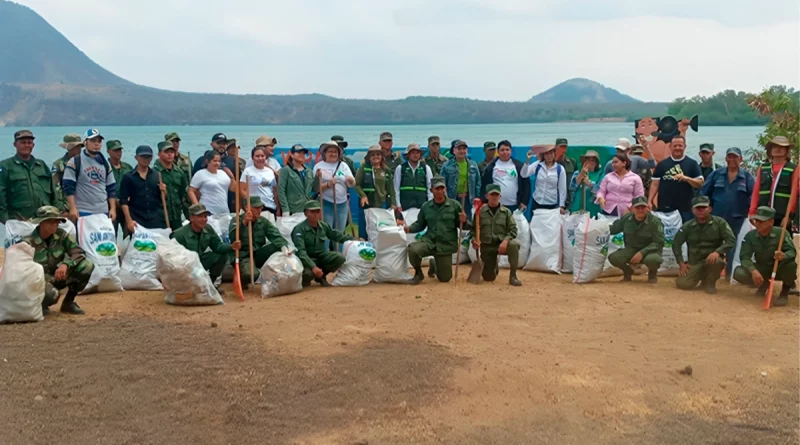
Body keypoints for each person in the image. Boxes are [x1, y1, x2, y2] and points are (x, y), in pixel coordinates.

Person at [24, 206, 94, 315]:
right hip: (38, 282)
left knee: (87, 266)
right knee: (52, 294)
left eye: (57, 222)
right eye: (52, 222)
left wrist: (66, 264)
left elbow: (78, 252)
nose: (56, 224)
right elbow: (21, 269)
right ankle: (40, 305)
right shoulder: (27, 242)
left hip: (58, 277)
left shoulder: (61, 235)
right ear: (42, 223)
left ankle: (68, 302)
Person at [700, 147, 755, 277]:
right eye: (729, 157)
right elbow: (704, 192)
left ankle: (730, 273)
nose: (732, 160)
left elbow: (753, 196)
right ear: (726, 158)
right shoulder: (716, 174)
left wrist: (751, 212)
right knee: (712, 244)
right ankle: (709, 273)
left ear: (740, 159)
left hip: (737, 218)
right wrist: (706, 208)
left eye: (735, 157)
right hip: (716, 217)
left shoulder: (747, 177)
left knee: (732, 246)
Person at [403, 176, 468, 284]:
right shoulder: (426, 207)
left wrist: (464, 221)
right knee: (413, 250)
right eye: (437, 189)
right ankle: (418, 273)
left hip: (445, 245)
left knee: (445, 279)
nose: (440, 191)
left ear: (445, 189)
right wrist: (408, 228)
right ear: (431, 190)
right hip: (429, 242)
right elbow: (420, 224)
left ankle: (434, 264)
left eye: (442, 188)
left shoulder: (455, 205)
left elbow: (463, 226)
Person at [733, 206, 797, 306]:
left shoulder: (781, 233)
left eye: (761, 221)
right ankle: (764, 284)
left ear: (771, 222)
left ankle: (784, 293)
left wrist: (783, 255)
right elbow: (745, 257)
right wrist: (753, 271)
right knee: (739, 272)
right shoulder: (751, 236)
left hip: (778, 269)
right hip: (761, 268)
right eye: (756, 220)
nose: (757, 224)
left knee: (791, 265)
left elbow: (792, 252)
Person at [673, 196, 736, 294]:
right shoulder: (688, 226)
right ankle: (701, 277)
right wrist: (681, 263)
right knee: (683, 284)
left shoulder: (719, 223)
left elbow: (731, 241)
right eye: (698, 208)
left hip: (712, 260)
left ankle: (710, 283)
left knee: (716, 262)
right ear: (693, 210)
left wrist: (717, 252)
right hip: (695, 262)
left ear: (710, 209)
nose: (700, 210)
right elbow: (676, 243)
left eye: (703, 207)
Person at [171, 204, 241, 291]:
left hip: (199, 261)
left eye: (205, 216)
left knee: (221, 255)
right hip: (184, 266)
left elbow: (217, 246)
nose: (204, 219)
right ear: (192, 218)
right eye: (200, 217)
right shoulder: (179, 235)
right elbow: (172, 259)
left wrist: (232, 246)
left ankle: (210, 285)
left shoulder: (208, 229)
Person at [0, 130, 60, 223]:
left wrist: (58, 211)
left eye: (29, 143)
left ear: (33, 145)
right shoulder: (5, 166)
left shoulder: (41, 165)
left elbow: (52, 191)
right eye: (23, 143)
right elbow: (1, 193)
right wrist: (5, 219)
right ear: (15, 144)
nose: (27, 145)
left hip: (45, 218)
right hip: (19, 219)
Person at [292, 200, 354, 287]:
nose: (316, 214)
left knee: (339, 258)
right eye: (312, 212)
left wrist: (354, 239)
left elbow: (337, 236)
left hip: (321, 256)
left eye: (318, 211)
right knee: (308, 274)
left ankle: (321, 276)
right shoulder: (299, 229)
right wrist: (313, 267)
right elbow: (301, 252)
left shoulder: (323, 226)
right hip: (307, 259)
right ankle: (304, 280)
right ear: (306, 213)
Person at [228, 196, 288, 285]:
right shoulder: (236, 220)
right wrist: (244, 223)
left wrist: (284, 247)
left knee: (277, 246)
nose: (259, 210)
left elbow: (275, 235)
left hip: (258, 254)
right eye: (256, 208)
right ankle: (241, 276)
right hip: (244, 255)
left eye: (260, 207)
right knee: (251, 275)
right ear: (247, 208)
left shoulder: (263, 221)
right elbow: (233, 238)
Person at [470, 184, 522, 286]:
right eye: (492, 194)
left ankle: (513, 276)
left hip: (502, 244)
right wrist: (474, 240)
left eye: (496, 195)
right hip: (487, 246)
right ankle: (493, 266)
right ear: (487, 196)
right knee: (488, 278)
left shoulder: (506, 212)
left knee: (514, 245)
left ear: (500, 196)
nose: (494, 197)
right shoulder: (479, 212)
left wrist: (505, 241)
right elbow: (473, 230)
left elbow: (513, 230)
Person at [62, 128, 117, 221]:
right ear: (85, 142)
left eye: (99, 141)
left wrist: (113, 209)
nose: (96, 144)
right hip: (83, 211)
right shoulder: (75, 161)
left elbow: (111, 188)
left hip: (103, 211)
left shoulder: (105, 164)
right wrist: (72, 208)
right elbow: (68, 187)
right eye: (93, 141)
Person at [608, 196, 664, 283]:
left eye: (643, 207)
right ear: (632, 209)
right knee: (614, 258)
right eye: (637, 208)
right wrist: (598, 228)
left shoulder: (655, 222)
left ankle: (652, 274)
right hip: (631, 250)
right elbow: (613, 229)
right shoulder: (627, 219)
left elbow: (659, 242)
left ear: (647, 208)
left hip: (650, 251)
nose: (640, 210)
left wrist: (642, 252)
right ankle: (628, 272)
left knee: (653, 260)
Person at [648, 135, 704, 223]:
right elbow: (655, 184)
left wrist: (686, 178)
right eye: (675, 146)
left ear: (684, 147)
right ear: (670, 147)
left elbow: (700, 183)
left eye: (680, 146)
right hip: (665, 208)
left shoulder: (692, 164)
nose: (677, 148)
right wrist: (650, 201)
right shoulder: (662, 164)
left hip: (686, 208)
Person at [749, 135, 797, 234]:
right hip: (763, 215)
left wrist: (789, 216)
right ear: (770, 150)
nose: (778, 149)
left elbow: (795, 194)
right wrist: (752, 212)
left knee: (783, 245)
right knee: (763, 246)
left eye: (781, 147)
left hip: (782, 215)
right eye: (775, 146)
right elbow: (756, 192)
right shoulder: (763, 168)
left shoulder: (794, 169)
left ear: (786, 150)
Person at [313, 140, 355, 247]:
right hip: (326, 203)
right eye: (330, 151)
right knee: (326, 232)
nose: (333, 154)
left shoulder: (343, 165)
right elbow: (316, 188)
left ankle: (339, 257)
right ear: (325, 153)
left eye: (335, 152)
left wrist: (350, 180)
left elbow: (352, 183)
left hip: (342, 203)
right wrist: (327, 185)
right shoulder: (319, 166)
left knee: (339, 233)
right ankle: (327, 256)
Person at [118, 145, 168, 232]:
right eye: (143, 156)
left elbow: (163, 198)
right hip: (137, 219)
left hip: (156, 219)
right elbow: (123, 201)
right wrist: (129, 220)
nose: (146, 159)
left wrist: (164, 191)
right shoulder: (128, 177)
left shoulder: (157, 175)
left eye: (148, 157)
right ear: (136, 157)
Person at [480, 140, 529, 213]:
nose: (505, 152)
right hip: (496, 205)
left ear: (511, 151)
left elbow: (526, 184)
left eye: (507, 150)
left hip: (515, 205)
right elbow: (485, 185)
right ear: (498, 151)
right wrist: (485, 201)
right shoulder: (491, 167)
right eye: (502, 150)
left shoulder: (519, 166)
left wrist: (524, 202)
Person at [355, 145, 393, 237]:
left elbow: (391, 189)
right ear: (369, 157)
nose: (376, 157)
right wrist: (363, 195)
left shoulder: (386, 170)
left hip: (382, 203)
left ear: (382, 156)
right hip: (366, 203)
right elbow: (356, 184)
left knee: (380, 228)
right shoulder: (363, 168)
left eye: (378, 154)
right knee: (364, 227)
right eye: (372, 155)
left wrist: (393, 203)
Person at [154, 140, 190, 230]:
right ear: (159, 154)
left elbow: (182, 194)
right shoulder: (154, 173)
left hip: (176, 215)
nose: (170, 154)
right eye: (166, 152)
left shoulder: (179, 173)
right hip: (160, 216)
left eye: (172, 152)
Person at [521, 144, 567, 213]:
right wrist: (527, 160)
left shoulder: (560, 169)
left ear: (554, 154)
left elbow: (562, 189)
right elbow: (523, 174)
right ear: (543, 155)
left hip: (552, 205)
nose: (549, 156)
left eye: (551, 153)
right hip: (537, 202)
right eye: (547, 154)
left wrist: (561, 206)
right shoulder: (537, 165)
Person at [440, 140, 480, 216]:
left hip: (468, 200)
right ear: (454, 150)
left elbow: (478, 182)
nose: (462, 151)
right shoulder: (446, 165)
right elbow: (442, 183)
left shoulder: (473, 165)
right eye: (459, 149)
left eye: (464, 149)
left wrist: (476, 198)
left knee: (467, 223)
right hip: (453, 199)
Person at [189, 150, 234, 215]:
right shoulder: (200, 174)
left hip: (224, 210)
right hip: (208, 211)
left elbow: (232, 189)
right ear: (208, 161)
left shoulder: (223, 173)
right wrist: (197, 206)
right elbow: (191, 191)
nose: (217, 163)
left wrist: (232, 178)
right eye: (215, 161)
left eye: (219, 161)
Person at [394, 143, 434, 212]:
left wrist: (429, 205)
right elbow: (396, 188)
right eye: (413, 153)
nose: (415, 155)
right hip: (405, 205)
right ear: (408, 155)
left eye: (417, 153)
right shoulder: (400, 168)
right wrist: (398, 205)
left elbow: (430, 188)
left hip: (422, 205)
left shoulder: (426, 168)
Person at [241, 145, 279, 216]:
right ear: (253, 158)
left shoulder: (270, 171)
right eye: (257, 156)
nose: (260, 158)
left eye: (262, 156)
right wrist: (250, 203)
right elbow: (242, 189)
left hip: (270, 206)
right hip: (255, 208)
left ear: (265, 157)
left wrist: (278, 208)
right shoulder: (247, 171)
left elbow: (275, 191)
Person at [106, 139, 133, 236]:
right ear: (108, 151)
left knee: (129, 234)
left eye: (120, 150)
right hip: (110, 207)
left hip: (126, 206)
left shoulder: (128, 167)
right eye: (115, 150)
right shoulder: (104, 167)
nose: (118, 153)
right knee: (111, 234)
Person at [278, 144, 313, 215]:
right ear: (291, 154)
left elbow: (314, 188)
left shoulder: (309, 171)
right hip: (292, 209)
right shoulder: (286, 170)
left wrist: (318, 178)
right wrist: (285, 210)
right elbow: (281, 190)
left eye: (303, 153)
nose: (301, 155)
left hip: (307, 209)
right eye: (298, 153)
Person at [52, 133, 84, 208]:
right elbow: (55, 187)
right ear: (69, 148)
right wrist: (62, 207)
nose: (78, 149)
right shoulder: (59, 164)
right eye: (75, 147)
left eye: (79, 147)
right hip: (67, 205)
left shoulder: (86, 163)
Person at [569, 150, 603, 216]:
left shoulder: (600, 174)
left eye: (593, 160)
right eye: (588, 160)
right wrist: (582, 173)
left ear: (596, 163)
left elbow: (600, 190)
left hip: (593, 209)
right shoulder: (577, 172)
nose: (590, 162)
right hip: (577, 207)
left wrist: (589, 183)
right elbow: (572, 186)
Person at [555, 138, 579, 210]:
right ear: (556, 147)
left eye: (564, 147)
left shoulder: (572, 162)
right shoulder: (552, 163)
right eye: (561, 147)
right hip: (554, 199)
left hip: (569, 199)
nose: (563, 149)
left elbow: (575, 180)